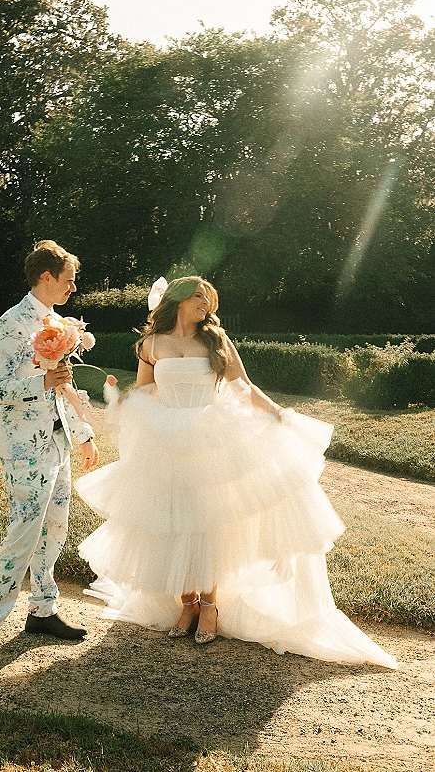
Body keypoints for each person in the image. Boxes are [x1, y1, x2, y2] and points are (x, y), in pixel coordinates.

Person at [74, 276, 397, 668]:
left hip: (211, 440)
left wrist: (276, 412)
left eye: (208, 298)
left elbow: (242, 384)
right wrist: (118, 397)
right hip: (166, 442)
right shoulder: (151, 345)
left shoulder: (215, 340)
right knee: (173, 522)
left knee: (206, 522)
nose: (204, 304)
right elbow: (145, 391)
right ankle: (187, 603)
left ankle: (210, 606)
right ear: (177, 300)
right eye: (197, 297)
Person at [0, 240, 99, 674]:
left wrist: (82, 435)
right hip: (24, 447)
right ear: (46, 277)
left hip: (57, 443)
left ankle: (42, 611)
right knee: (24, 532)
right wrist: (39, 383)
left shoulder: (56, 323)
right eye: (67, 280)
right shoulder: (11, 324)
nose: (73, 287)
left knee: (55, 528)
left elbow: (62, 386)